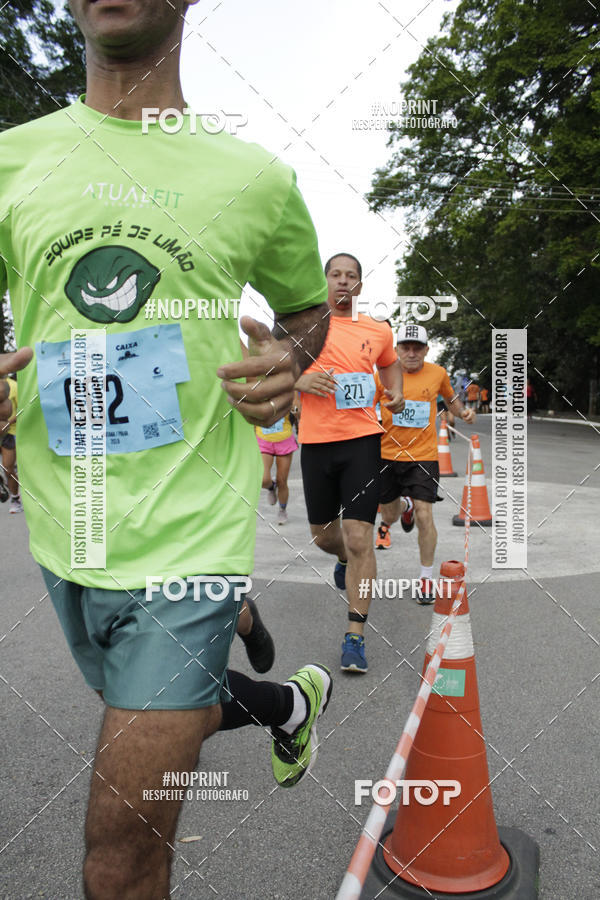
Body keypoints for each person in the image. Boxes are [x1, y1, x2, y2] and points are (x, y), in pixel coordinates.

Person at [0, 0, 334, 895]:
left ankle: (225, 617)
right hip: (66, 529)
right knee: (140, 708)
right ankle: (285, 698)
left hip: (192, 534)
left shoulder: (255, 176)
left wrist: (291, 356)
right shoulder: (12, 160)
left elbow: (307, 310)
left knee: (120, 855)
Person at [296, 253, 404, 673]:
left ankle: (355, 636)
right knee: (325, 537)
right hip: (316, 443)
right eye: (336, 274)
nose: (343, 281)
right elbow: (274, 370)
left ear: (359, 285)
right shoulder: (302, 328)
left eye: (351, 276)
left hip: (362, 441)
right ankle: (341, 558)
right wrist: (301, 379)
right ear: (324, 280)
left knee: (360, 538)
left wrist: (395, 392)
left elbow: (390, 365)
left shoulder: (376, 329)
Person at [374, 324, 476, 603]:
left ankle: (426, 579)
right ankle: (403, 507)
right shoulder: (381, 376)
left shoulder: (438, 373)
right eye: (405, 347)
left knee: (425, 515)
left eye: (417, 348)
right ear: (396, 350)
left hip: (423, 456)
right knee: (389, 515)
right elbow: (365, 410)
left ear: (426, 350)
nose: (411, 353)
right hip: (387, 455)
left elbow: (450, 398)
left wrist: (463, 412)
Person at [256, 410, 298, 524]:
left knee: (282, 481)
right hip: (263, 439)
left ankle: (282, 510)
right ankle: (271, 487)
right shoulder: (258, 397)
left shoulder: (287, 398)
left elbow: (297, 410)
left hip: (284, 439)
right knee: (263, 479)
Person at [0, 374, 23, 512]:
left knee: (8, 469)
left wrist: (8, 423)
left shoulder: (13, 385)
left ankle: (15, 499)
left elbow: (22, 409)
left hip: (9, 432)